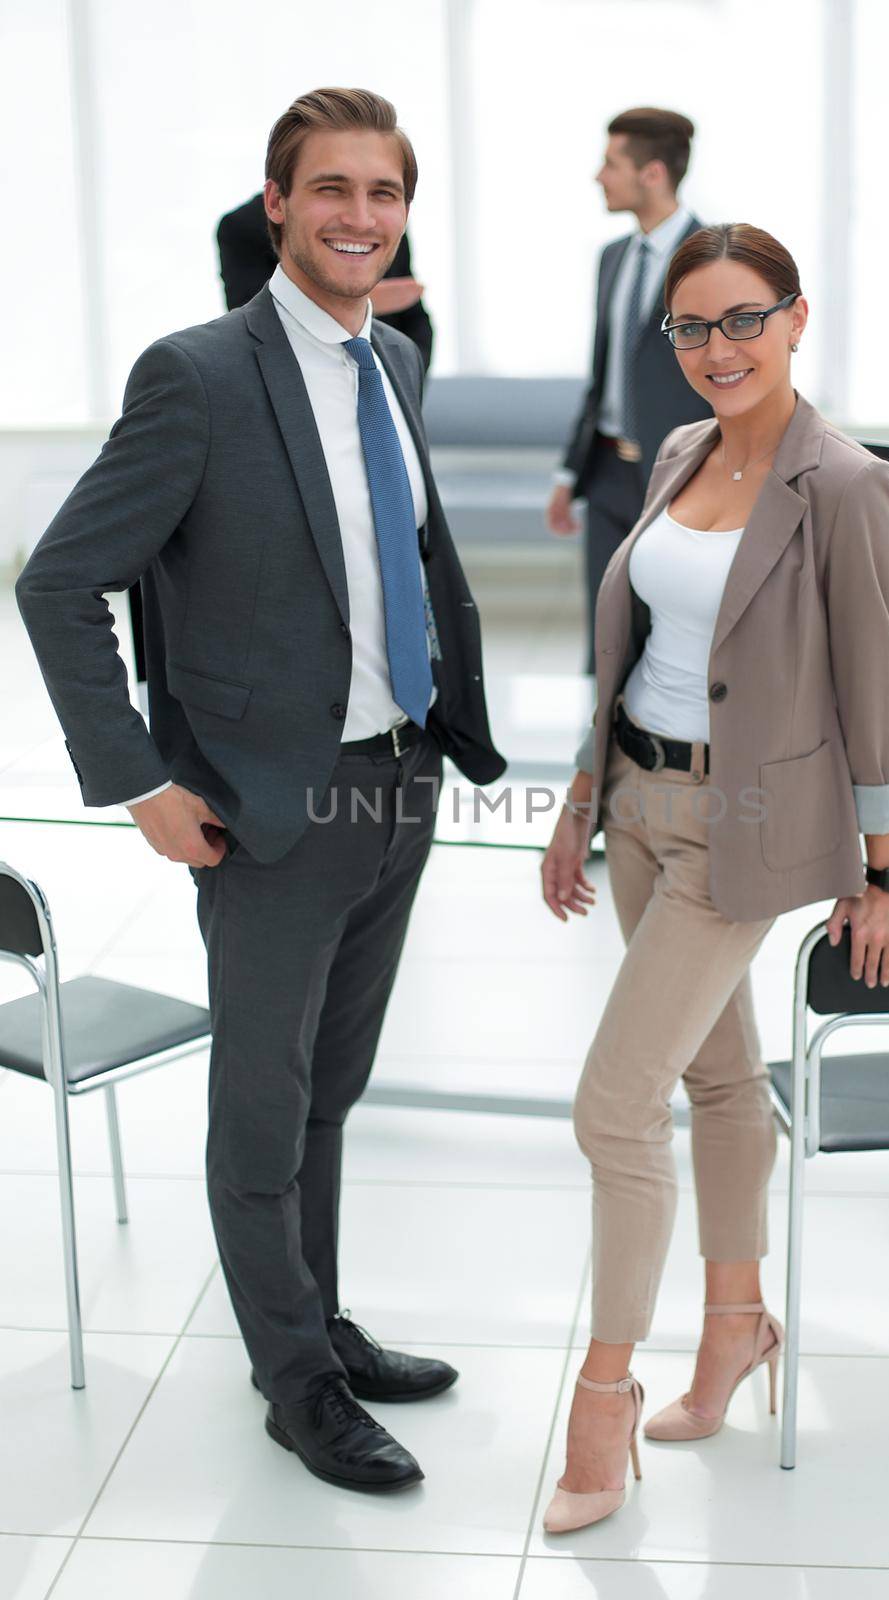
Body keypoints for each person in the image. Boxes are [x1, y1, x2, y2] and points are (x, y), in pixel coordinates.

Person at [16, 86, 505, 1496]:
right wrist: (142, 783)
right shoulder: (199, 376)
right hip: (267, 808)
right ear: (278, 202)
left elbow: (400, 562)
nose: (360, 215)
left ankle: (319, 1325)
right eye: (332, 189)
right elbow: (58, 584)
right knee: (261, 1104)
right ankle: (295, 1383)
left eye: (385, 193)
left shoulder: (394, 363)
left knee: (329, 1095)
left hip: (397, 782)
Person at [538, 223, 889, 1534]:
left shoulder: (847, 484)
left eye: (743, 319)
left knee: (612, 1108)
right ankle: (736, 1326)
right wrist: (580, 808)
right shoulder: (687, 451)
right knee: (710, 1075)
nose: (717, 349)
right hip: (636, 803)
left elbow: (875, 689)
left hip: (738, 829)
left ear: (796, 319)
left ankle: (601, 1401)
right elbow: (633, 641)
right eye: (692, 328)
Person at [546, 107, 711, 671]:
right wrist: (570, 474)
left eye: (610, 163)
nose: (599, 176)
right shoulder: (612, 258)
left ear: (653, 174)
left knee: (676, 636)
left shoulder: (717, 259)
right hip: (609, 475)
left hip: (683, 477)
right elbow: (602, 376)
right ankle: (603, 751)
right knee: (609, 636)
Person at [216, 189, 435, 373]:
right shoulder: (241, 226)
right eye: (329, 186)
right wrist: (358, 303)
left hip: (383, 374)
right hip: (290, 379)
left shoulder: (383, 223)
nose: (360, 220)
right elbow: (251, 319)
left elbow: (417, 321)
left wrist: (402, 383)